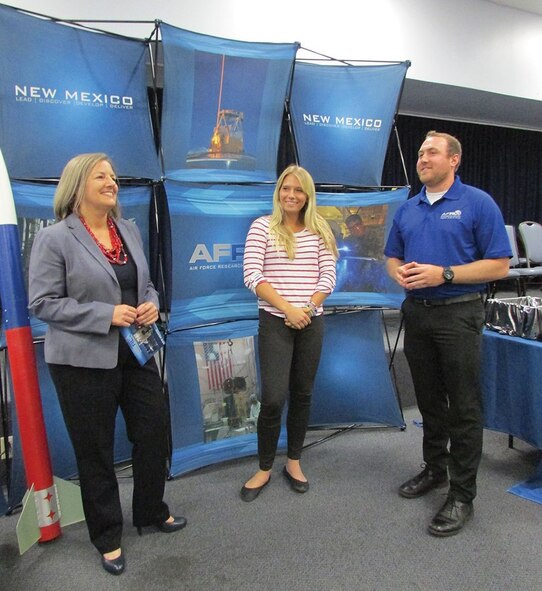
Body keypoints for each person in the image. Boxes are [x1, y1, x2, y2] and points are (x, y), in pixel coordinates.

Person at [28, 153, 186, 575]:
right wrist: (106, 314)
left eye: (114, 175)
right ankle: (107, 535)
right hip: (81, 362)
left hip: (136, 351)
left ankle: (151, 509)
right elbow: (42, 303)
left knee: (153, 431)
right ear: (78, 184)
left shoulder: (129, 230)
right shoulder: (56, 238)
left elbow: (146, 285)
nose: (112, 181)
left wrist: (150, 305)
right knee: (95, 450)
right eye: (101, 175)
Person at [384, 131, 511, 537]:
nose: (423, 158)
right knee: (428, 401)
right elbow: (392, 257)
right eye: (421, 153)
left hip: (459, 315)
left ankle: (462, 495)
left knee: (463, 407)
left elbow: (499, 266)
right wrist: (398, 273)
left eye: (432, 152)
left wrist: (446, 274)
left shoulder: (477, 203)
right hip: (417, 316)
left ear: (453, 160)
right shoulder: (408, 209)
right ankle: (435, 469)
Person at [241, 164, 337, 501]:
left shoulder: (320, 230)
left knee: (302, 394)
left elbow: (328, 277)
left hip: (311, 321)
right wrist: (289, 309)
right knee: (273, 398)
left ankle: (293, 461)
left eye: (298, 190)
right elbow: (252, 276)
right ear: (278, 192)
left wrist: (307, 309)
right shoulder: (262, 227)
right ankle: (265, 466)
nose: (291, 195)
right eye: (286, 188)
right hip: (275, 322)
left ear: (308, 195)